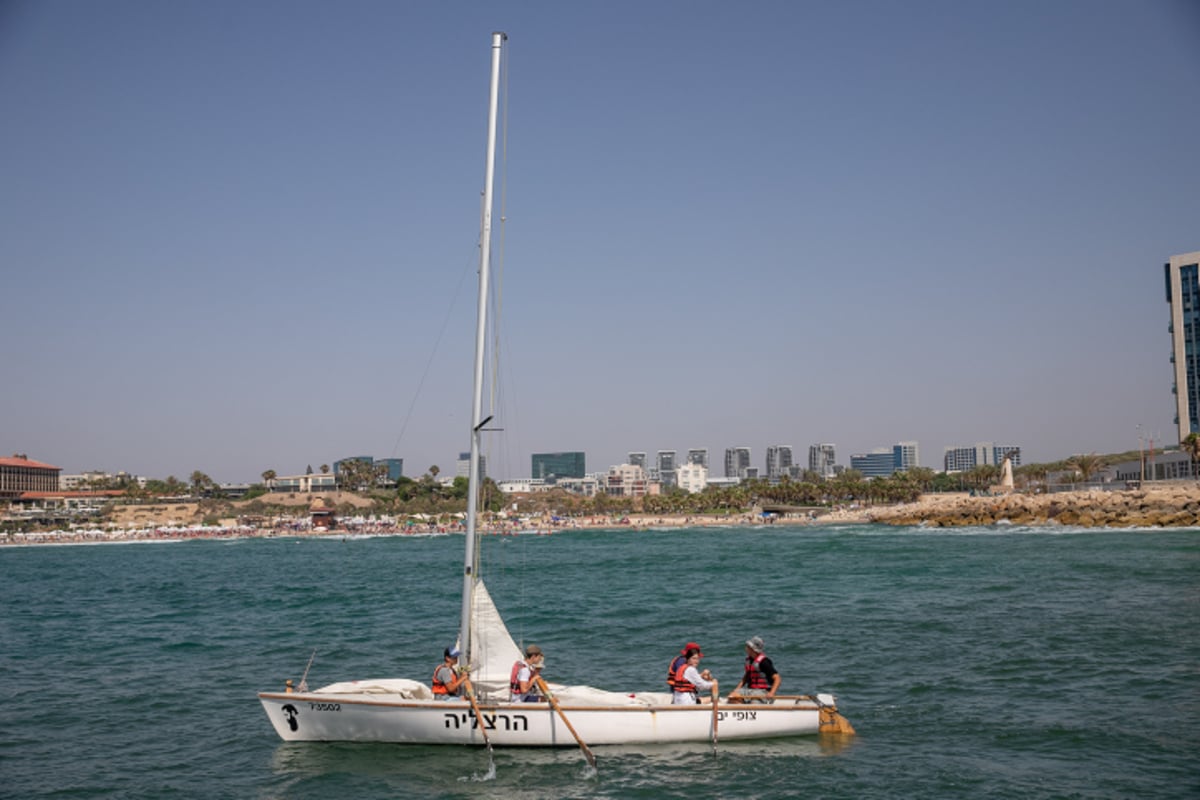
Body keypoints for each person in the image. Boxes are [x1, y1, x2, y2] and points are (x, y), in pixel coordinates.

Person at [730, 636, 780, 703]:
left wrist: (771, 693)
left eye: (748, 647)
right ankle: (741, 710)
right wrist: (737, 689)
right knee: (732, 697)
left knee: (754, 703)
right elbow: (746, 677)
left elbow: (777, 678)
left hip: (763, 691)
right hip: (750, 690)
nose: (746, 648)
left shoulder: (764, 662)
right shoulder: (749, 661)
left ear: (753, 649)